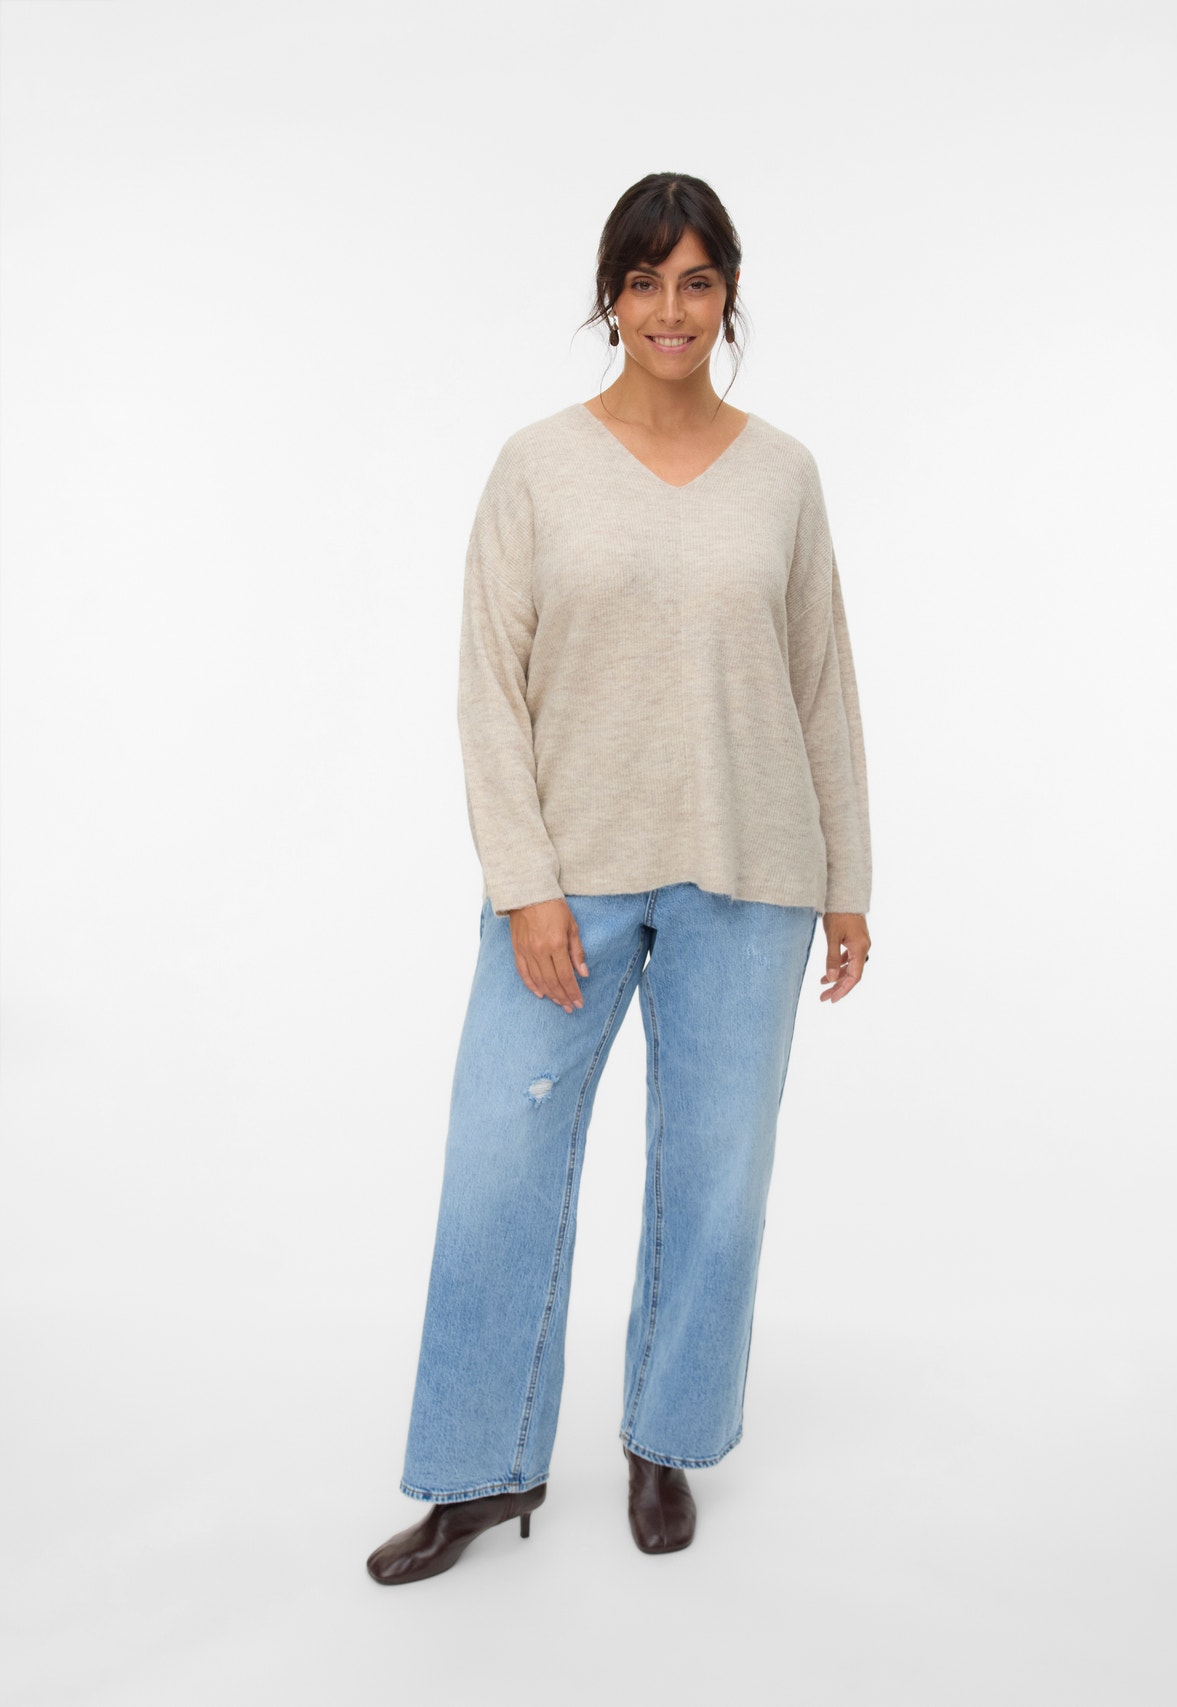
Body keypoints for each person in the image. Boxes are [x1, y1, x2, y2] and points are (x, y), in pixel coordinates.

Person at [366, 171, 872, 1585]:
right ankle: (481, 1473)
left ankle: (666, 1441)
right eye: (644, 281)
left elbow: (822, 684)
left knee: (717, 1180)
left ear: (728, 297)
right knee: (497, 1166)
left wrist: (848, 876)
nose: (670, 309)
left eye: (696, 281)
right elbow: (489, 685)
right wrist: (523, 881)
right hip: (569, 879)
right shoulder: (537, 466)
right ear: (610, 297)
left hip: (751, 873)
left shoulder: (784, 475)